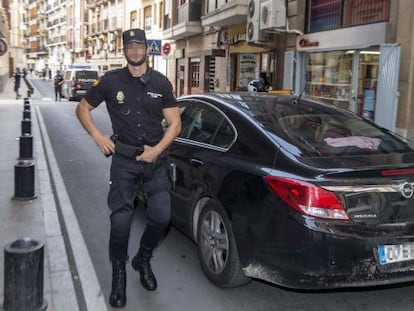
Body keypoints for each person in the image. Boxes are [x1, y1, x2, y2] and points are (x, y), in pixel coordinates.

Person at [76, 28, 181, 308]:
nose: (135, 51)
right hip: (123, 161)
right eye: (130, 46)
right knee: (120, 222)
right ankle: (119, 273)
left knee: (161, 217)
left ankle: (142, 259)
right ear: (124, 49)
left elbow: (175, 123)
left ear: (147, 48)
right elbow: (82, 109)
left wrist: (156, 151)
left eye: (140, 46)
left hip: (155, 161)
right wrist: (98, 137)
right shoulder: (111, 81)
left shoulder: (161, 83)